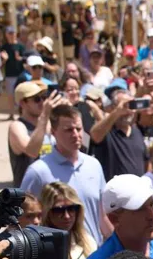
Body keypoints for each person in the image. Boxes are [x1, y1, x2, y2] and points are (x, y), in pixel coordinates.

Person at [21, 105, 107, 246]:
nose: (76, 134)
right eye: (68, 130)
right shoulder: (38, 171)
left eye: (78, 129)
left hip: (92, 252)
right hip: (56, 257)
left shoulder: (94, 165)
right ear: (53, 132)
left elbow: (102, 216)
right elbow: (24, 217)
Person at [40, 182, 97, 259]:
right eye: (59, 210)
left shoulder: (89, 243)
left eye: (71, 209)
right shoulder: (36, 246)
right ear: (47, 213)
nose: (67, 216)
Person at [89, 87, 150, 182]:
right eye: (124, 106)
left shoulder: (137, 131)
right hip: (114, 194)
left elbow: (146, 161)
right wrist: (117, 112)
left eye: (130, 106)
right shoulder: (107, 130)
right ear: (113, 108)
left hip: (138, 192)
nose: (127, 111)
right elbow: (95, 135)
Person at [8, 81, 58, 187]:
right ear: (22, 103)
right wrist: (44, 116)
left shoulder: (48, 123)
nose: (42, 102)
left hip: (50, 190)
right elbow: (32, 151)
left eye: (44, 97)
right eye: (37, 99)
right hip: (28, 193)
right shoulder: (17, 126)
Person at [0, 26, 26, 120]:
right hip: (9, 75)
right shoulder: (4, 47)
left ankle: (22, 113)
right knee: (10, 95)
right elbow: (0, 65)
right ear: (6, 35)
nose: (11, 35)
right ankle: (11, 114)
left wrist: (20, 59)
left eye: (13, 33)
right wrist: (4, 60)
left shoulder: (21, 46)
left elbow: (26, 59)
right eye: (9, 33)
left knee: (21, 95)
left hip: (20, 74)